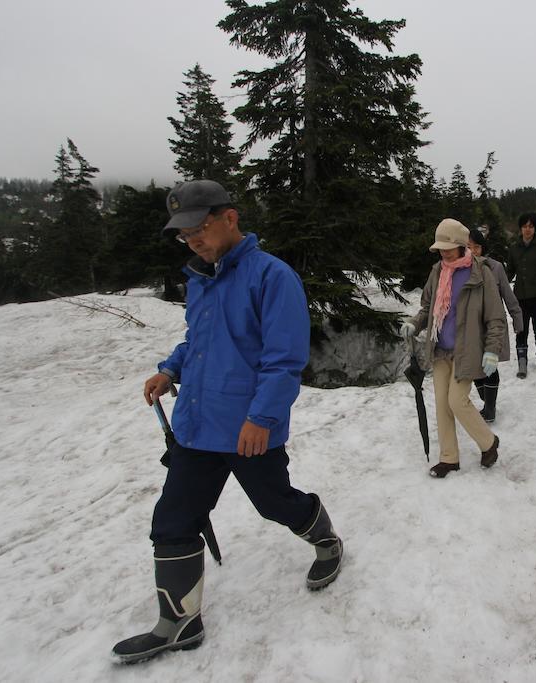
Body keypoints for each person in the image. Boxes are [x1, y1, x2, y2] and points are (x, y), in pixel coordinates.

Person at [113, 180, 343, 664]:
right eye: (183, 233)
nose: (192, 239)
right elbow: (199, 339)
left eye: (198, 228)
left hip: (247, 428)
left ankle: (324, 538)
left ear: (229, 218)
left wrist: (262, 417)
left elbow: (284, 360)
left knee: (275, 503)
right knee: (173, 519)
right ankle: (178, 622)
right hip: (196, 427)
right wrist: (169, 368)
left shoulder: (272, 276)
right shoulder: (200, 277)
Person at [401, 219, 505, 478]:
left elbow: (495, 317)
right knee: (441, 404)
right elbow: (427, 307)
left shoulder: (481, 272)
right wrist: (415, 324)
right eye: (440, 248)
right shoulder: (438, 271)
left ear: (461, 244)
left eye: (448, 247)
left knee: (457, 401)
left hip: (466, 349)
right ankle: (449, 458)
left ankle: (488, 442)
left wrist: (492, 349)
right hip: (439, 349)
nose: (444, 252)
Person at [468, 227, 523, 423]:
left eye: (476, 247)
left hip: (492, 324)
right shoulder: (461, 269)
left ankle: (490, 407)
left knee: (489, 365)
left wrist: (517, 318)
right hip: (471, 327)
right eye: (468, 247)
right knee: (476, 365)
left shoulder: (496, 267)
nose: (472, 251)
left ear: (482, 248)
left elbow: (508, 296)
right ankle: (486, 398)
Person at [506, 212, 536, 378]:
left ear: (535, 228)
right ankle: (522, 360)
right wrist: (500, 284)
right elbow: (510, 271)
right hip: (520, 295)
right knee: (521, 329)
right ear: (520, 228)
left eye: (531, 226)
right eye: (525, 226)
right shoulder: (514, 248)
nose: (527, 229)